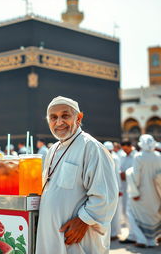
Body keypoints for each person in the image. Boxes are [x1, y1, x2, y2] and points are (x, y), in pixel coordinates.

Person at [36, 96, 118, 254]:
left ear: (79, 117)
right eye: (53, 117)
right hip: (51, 237)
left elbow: (106, 196)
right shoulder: (53, 150)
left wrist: (84, 220)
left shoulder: (92, 147)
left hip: (77, 239)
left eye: (65, 116)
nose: (59, 122)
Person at [125, 134, 161, 248]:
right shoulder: (158, 156)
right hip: (156, 193)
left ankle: (142, 240)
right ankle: (151, 240)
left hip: (141, 193)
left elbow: (136, 176)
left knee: (131, 213)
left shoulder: (139, 157)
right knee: (153, 215)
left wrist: (134, 192)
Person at [104, 141, 123, 241]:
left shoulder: (114, 158)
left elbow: (117, 175)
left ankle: (114, 233)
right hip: (107, 188)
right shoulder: (106, 156)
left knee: (114, 212)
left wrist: (119, 189)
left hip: (113, 188)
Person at [119, 141, 137, 229]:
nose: (125, 151)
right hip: (124, 185)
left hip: (133, 187)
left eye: (126, 149)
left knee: (133, 210)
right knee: (125, 209)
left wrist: (125, 175)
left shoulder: (136, 156)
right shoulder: (123, 156)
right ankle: (129, 229)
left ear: (130, 147)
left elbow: (137, 172)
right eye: (123, 149)